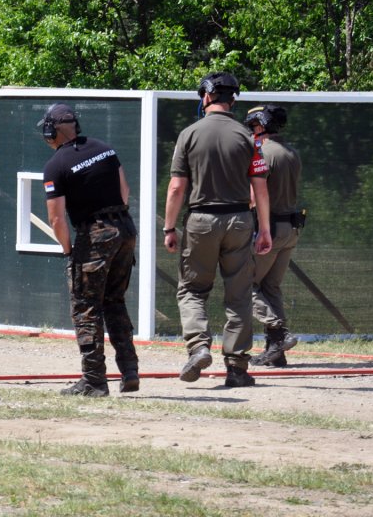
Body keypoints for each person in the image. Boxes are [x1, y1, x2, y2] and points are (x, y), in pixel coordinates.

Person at [162, 72, 273, 388]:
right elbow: (260, 188)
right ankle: (237, 368)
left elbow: (176, 187)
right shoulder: (248, 138)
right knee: (239, 295)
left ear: (207, 95)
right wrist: (265, 230)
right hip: (240, 219)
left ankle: (199, 347)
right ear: (232, 99)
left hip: (201, 220)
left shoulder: (189, 134)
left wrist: (169, 227)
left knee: (193, 289)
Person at [38, 103, 140, 397]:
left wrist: (68, 249)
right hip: (125, 228)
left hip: (95, 233)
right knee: (114, 301)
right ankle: (130, 371)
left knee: (86, 307)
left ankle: (94, 380)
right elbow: (124, 191)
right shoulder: (105, 148)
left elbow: (56, 218)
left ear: (52, 130)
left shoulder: (55, 165)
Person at [245, 104, 302, 367]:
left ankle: (279, 333)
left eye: (252, 127)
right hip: (291, 228)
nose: (251, 133)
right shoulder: (292, 152)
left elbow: (253, 196)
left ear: (260, 126)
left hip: (270, 229)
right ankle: (276, 353)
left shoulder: (263, 153)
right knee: (271, 288)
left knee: (244, 285)